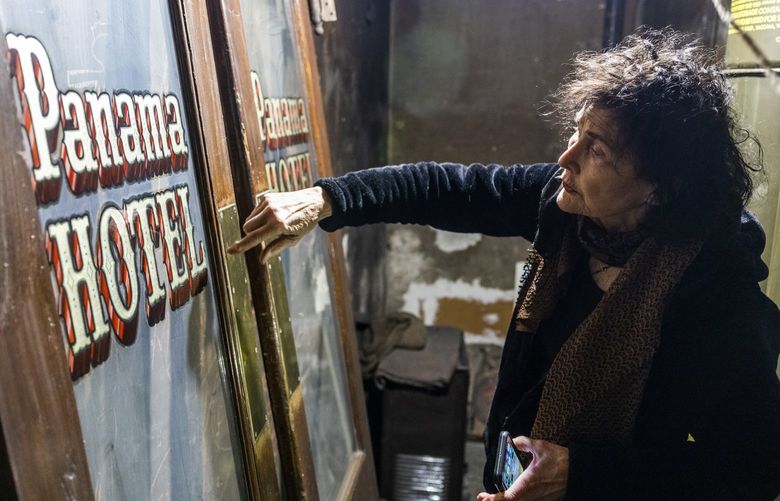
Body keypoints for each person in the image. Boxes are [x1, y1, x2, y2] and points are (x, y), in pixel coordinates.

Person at [228, 28, 780, 500]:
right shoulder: (562, 207)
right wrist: (327, 200)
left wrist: (582, 476)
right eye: (577, 133)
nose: (566, 157)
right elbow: (449, 187)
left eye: (598, 151)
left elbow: (751, 471)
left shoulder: (721, 304)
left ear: (661, 189)